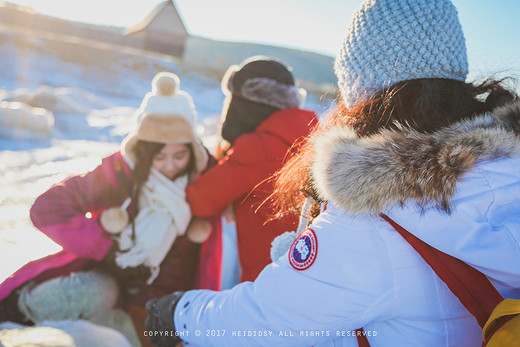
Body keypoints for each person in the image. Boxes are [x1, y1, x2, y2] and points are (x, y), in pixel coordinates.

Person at [144, 0, 520, 346]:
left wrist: (180, 313)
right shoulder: (508, 172)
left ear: (359, 86)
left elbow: (264, 321)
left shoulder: (377, 214)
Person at [0, 72, 214, 346]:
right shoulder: (121, 174)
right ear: (144, 152)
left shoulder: (204, 184)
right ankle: (16, 316)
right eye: (159, 157)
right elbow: (48, 208)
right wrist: (107, 252)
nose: (170, 166)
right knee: (98, 289)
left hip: (150, 313)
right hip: (99, 289)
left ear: (193, 150)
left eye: (180, 155)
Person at [185, 56, 318, 282]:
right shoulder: (311, 138)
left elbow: (199, 201)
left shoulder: (258, 148)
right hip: (304, 266)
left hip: (265, 278)